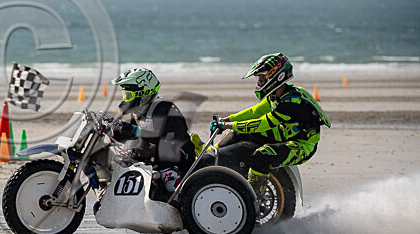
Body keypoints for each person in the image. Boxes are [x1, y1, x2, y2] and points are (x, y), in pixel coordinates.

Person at [201, 53, 330, 194]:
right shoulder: (277, 94)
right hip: (285, 134)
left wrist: (227, 126)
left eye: (262, 77)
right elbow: (254, 112)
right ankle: (212, 155)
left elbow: (264, 123)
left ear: (277, 76)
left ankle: (255, 196)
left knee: (262, 156)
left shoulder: (291, 103)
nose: (259, 82)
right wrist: (228, 120)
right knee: (239, 132)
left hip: (302, 145)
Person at [108, 67, 194, 172]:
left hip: (179, 156)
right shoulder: (139, 111)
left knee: (163, 166)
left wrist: (133, 130)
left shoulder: (164, 108)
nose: (126, 99)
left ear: (143, 93)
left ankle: (174, 187)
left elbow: (159, 138)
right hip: (156, 156)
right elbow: (134, 138)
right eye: (125, 95)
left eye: (129, 95)